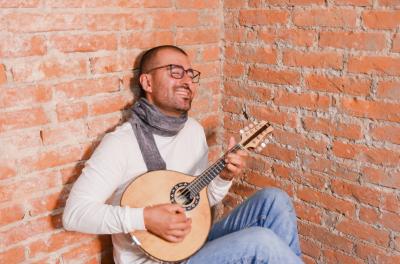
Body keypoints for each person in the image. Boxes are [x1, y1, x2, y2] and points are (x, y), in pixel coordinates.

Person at [62, 45, 303, 264]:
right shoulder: (121, 143)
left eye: (190, 74)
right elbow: (74, 215)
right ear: (147, 83)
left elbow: (199, 200)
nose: (187, 80)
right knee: (260, 242)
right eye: (175, 72)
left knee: (274, 200)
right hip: (154, 260)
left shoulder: (193, 131)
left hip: (192, 243)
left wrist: (224, 177)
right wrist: (145, 218)